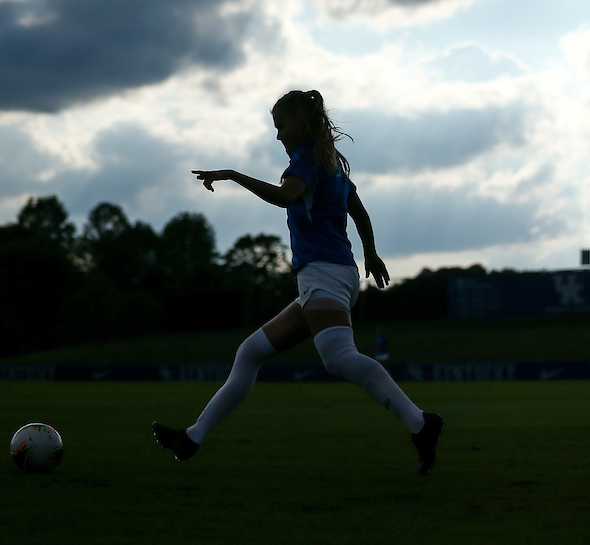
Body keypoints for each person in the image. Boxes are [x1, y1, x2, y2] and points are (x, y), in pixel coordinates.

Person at [152, 89, 443, 475]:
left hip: (324, 273)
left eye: (281, 126)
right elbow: (360, 212)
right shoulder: (331, 164)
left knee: (339, 357)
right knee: (250, 353)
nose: (278, 136)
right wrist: (370, 253)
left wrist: (234, 175)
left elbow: (286, 196)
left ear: (302, 124)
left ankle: (421, 423)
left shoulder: (306, 161)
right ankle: (191, 439)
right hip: (331, 276)